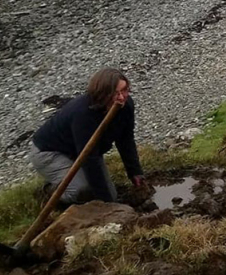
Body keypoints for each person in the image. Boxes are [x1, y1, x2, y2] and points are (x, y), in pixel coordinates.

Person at [29, 68, 144, 203]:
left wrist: (134, 171)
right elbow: (90, 159)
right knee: (82, 191)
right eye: (114, 93)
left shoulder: (126, 105)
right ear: (103, 94)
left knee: (110, 195)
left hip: (82, 150)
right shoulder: (84, 114)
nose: (121, 97)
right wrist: (108, 205)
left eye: (124, 90)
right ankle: (49, 192)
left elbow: (126, 139)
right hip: (50, 152)